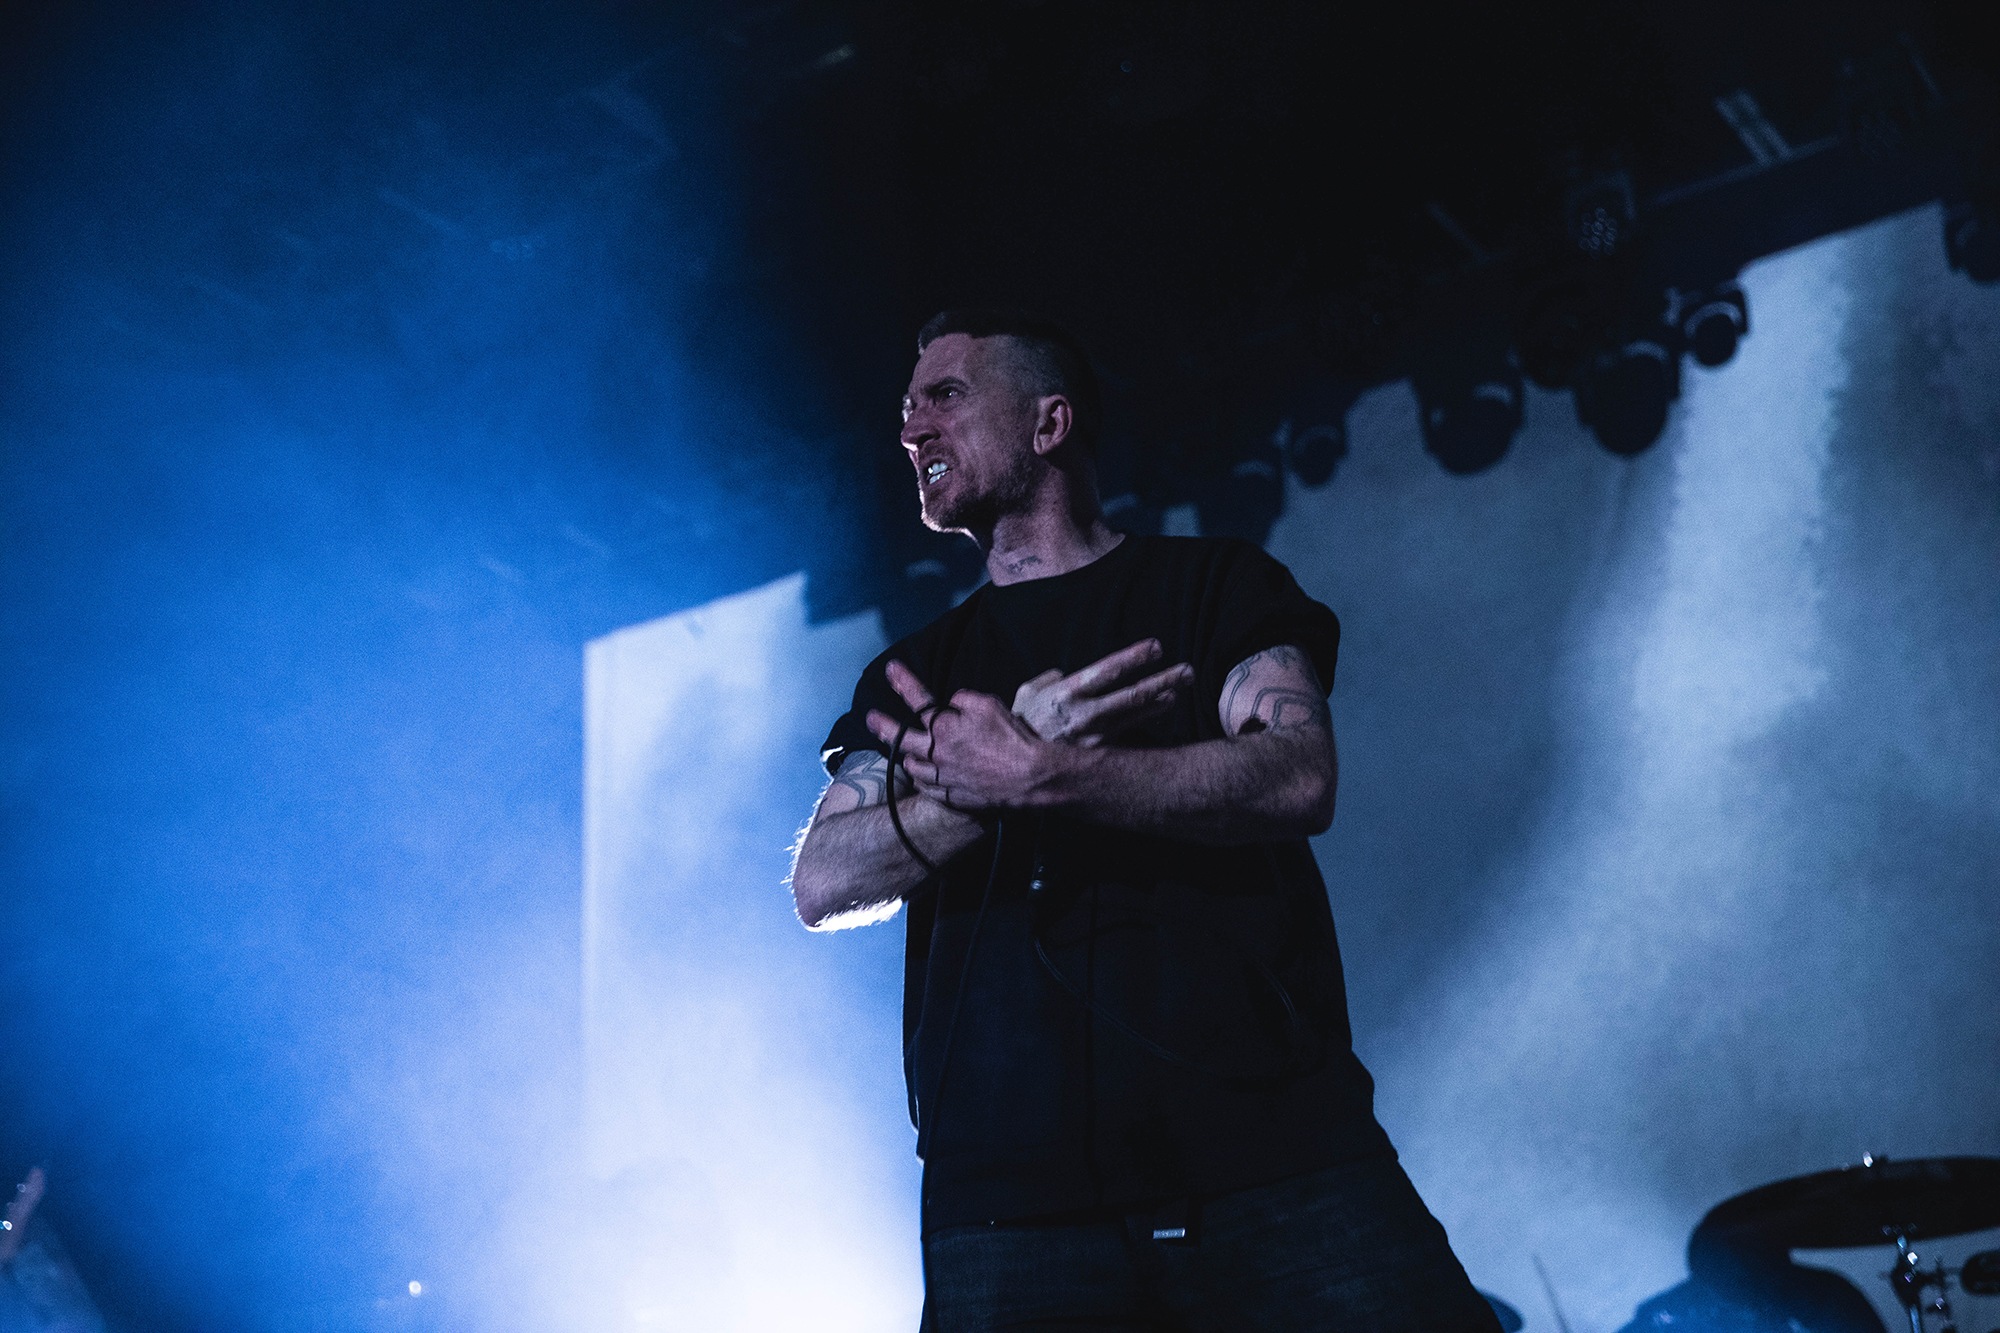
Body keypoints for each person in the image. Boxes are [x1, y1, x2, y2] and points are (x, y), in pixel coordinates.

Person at [790, 310, 1498, 1332]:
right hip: (1009, 1207)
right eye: (906, 410)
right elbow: (823, 879)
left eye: (945, 396)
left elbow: (1299, 775)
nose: (911, 430)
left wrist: (1054, 772)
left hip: (1272, 1153)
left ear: (1049, 423)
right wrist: (983, 787)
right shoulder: (914, 673)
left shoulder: (1213, 586)